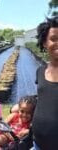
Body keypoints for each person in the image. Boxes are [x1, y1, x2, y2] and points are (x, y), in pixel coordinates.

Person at [32, 16, 58, 150]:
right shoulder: (41, 71)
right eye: (54, 39)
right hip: (38, 143)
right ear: (44, 43)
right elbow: (43, 99)